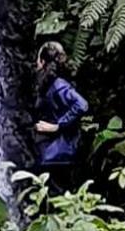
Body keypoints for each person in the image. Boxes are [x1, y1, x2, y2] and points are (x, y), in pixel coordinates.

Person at [34, 41, 88, 190]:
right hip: (54, 154)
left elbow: (82, 104)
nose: (36, 63)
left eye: (38, 59)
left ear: (43, 62)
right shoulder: (50, 84)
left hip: (60, 154)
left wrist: (58, 125)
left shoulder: (59, 85)